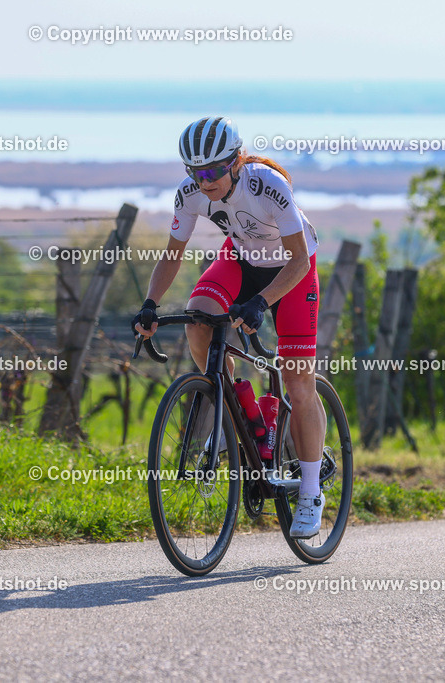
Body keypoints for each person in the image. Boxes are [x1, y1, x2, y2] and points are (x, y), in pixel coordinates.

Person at [133, 116, 326, 538]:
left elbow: (297, 259)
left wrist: (261, 302)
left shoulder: (268, 184)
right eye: (195, 172)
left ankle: (310, 492)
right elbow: (172, 255)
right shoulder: (190, 194)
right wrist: (149, 305)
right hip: (240, 259)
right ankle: (234, 412)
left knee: (298, 383)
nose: (205, 181)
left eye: (213, 171)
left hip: (292, 270)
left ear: (236, 161)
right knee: (199, 316)